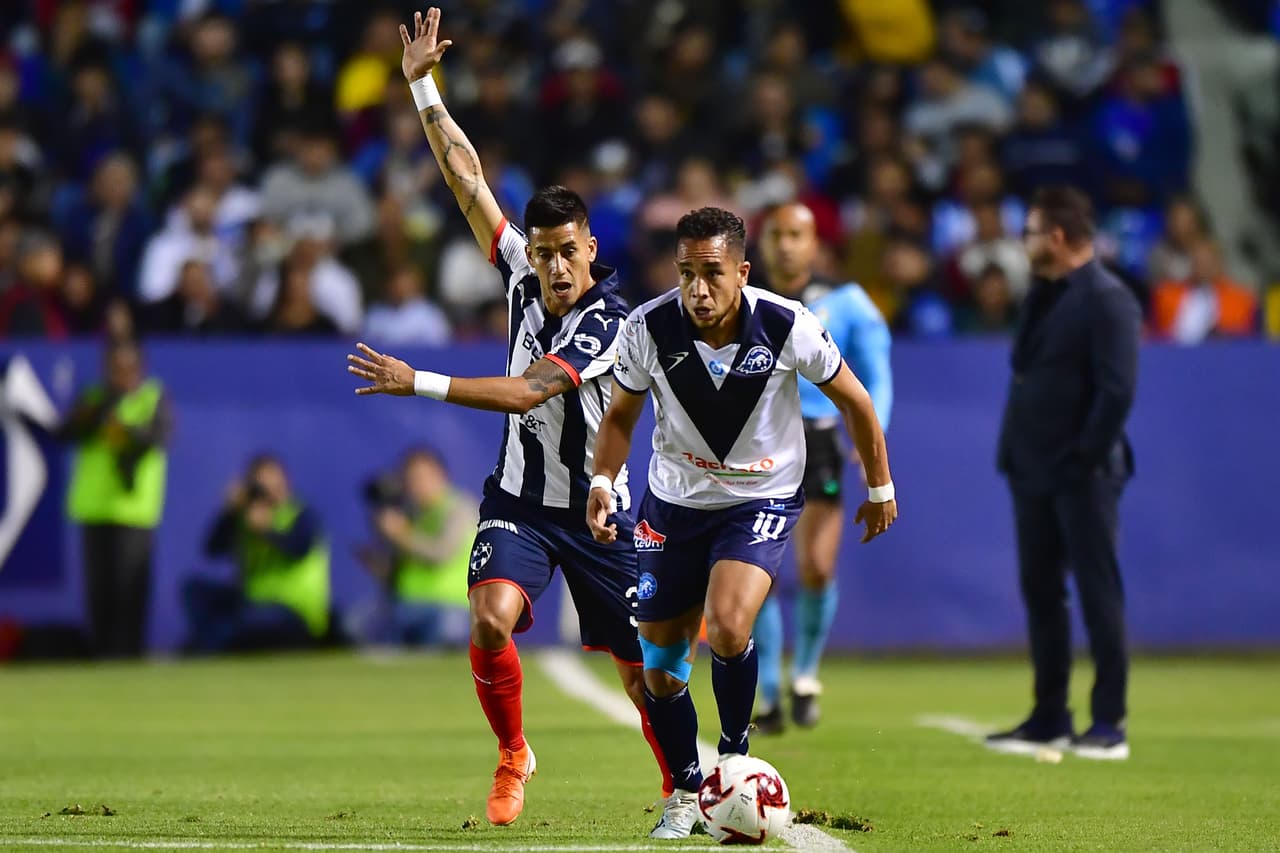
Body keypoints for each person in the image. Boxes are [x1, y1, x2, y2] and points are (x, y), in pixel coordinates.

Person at [344, 7, 669, 827]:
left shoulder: (608, 321)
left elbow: (529, 391)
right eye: (545, 251)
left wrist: (416, 378)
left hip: (598, 513)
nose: (555, 266)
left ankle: (683, 791)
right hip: (521, 501)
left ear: (592, 249)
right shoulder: (523, 268)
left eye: (569, 251)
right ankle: (513, 753)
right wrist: (422, 86)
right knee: (490, 619)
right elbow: (466, 178)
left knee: (644, 675)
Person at [588, 207, 898, 838]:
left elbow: (857, 401)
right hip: (672, 504)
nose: (698, 291)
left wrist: (880, 484)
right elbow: (620, 416)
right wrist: (601, 482)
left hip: (760, 499)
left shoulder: (787, 325)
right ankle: (682, 791)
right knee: (660, 669)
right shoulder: (647, 327)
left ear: (742, 271)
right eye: (685, 275)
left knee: (729, 625)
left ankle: (733, 756)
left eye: (712, 274)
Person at [988, 186, 1141, 761]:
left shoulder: (1109, 298)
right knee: (1042, 592)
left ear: (1055, 237)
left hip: (1084, 473)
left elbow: (1118, 389)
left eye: (1029, 232)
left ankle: (1109, 722)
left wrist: (1084, 458)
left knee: (1098, 591)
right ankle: (1050, 714)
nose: (1023, 243)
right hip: (1031, 469)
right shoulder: (1044, 294)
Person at [749, 202, 894, 734]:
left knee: (815, 566)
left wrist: (871, 437)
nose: (785, 244)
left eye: (796, 234)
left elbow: (876, 376)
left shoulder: (849, 302)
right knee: (757, 572)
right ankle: (766, 692)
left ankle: (804, 675)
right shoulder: (743, 300)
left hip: (821, 439)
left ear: (815, 244)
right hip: (756, 440)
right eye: (776, 234)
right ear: (762, 245)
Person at [57, 339, 172, 658]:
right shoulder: (94, 397)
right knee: (100, 591)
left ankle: (129, 656)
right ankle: (102, 656)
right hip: (94, 508)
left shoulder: (152, 396)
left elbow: (160, 437)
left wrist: (125, 431)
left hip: (134, 511)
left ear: (140, 368)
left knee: (129, 592)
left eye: (128, 367)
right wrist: (93, 416)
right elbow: (65, 433)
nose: (122, 375)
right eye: (115, 368)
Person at [183, 454, 331, 654]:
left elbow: (299, 549)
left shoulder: (301, 514)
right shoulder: (245, 517)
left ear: (285, 484)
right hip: (251, 602)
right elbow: (212, 550)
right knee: (193, 591)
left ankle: (207, 647)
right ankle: (209, 644)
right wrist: (229, 513)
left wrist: (267, 530)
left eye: (272, 485)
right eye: (258, 488)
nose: (267, 493)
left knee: (236, 625)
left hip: (293, 611)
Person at [355, 448, 477, 646]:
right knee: (355, 626)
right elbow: (397, 573)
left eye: (422, 477)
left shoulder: (459, 507)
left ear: (441, 475)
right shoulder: (409, 512)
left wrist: (402, 535)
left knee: (448, 631)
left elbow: (441, 553)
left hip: (450, 606)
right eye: (411, 479)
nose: (418, 485)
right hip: (405, 606)